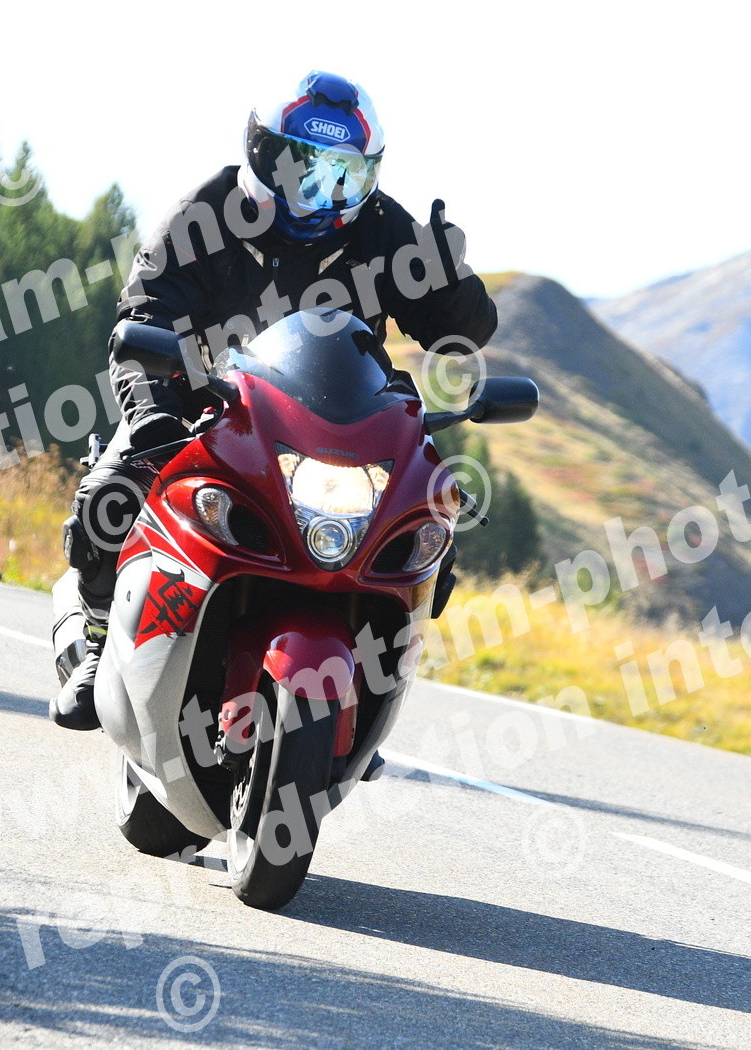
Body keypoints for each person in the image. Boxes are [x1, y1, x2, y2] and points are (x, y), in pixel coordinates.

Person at [50, 70, 498, 730]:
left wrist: (447, 275)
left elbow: (463, 334)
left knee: (427, 536)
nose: (322, 193)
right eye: (302, 168)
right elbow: (144, 313)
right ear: (261, 155)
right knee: (111, 491)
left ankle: (367, 688)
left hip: (339, 427)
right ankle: (95, 638)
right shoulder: (204, 213)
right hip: (209, 406)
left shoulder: (383, 227)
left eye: (345, 175)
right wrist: (151, 411)